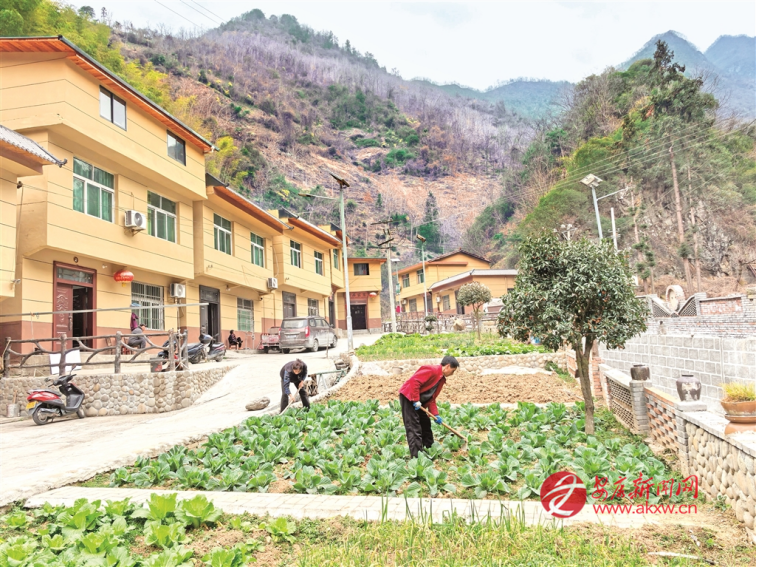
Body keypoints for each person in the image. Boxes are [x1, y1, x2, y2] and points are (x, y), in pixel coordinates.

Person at [399, 355, 459, 458]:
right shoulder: (432, 370)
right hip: (409, 397)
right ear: (447, 366)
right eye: (453, 371)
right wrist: (415, 399)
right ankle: (417, 457)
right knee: (413, 427)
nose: (452, 373)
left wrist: (435, 414)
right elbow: (414, 381)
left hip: (419, 401)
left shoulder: (441, 380)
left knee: (425, 424)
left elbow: (431, 398)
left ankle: (430, 450)